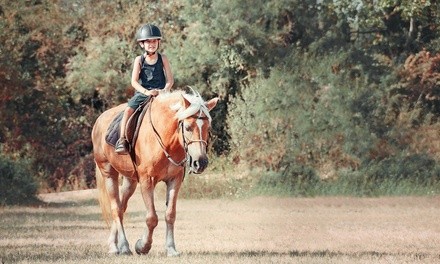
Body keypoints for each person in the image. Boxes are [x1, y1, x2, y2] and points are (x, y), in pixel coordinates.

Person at [115, 24, 174, 154]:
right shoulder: (139, 60)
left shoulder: (163, 58)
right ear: (142, 44)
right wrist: (147, 92)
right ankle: (122, 140)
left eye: (154, 41)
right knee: (128, 110)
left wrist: (163, 90)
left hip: (161, 93)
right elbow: (134, 82)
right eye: (148, 41)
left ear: (158, 42)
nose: (151, 44)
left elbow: (170, 80)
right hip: (144, 92)